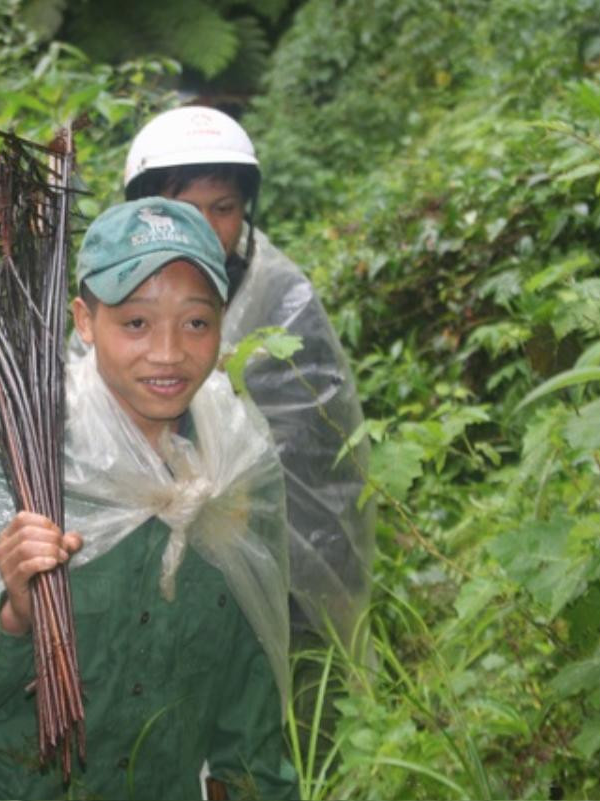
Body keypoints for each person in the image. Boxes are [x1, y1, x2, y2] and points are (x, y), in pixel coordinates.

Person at [0, 198, 298, 800]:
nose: (168, 352)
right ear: (85, 321)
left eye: (196, 322)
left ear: (224, 323)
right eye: (136, 323)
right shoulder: (10, 462)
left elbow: (249, 700)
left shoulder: (233, 469)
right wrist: (12, 617)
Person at [122, 106, 375, 654]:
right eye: (183, 209)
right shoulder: (112, 296)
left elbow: (318, 449)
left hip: (268, 547)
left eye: (224, 208)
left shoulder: (279, 296)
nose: (205, 228)